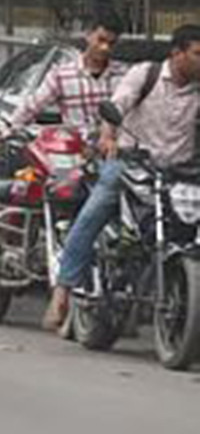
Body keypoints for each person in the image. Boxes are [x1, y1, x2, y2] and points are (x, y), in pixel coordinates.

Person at [42, 24, 200, 330]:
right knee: (94, 212)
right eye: (198, 54)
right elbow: (116, 105)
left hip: (178, 173)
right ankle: (62, 290)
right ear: (177, 53)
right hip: (131, 164)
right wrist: (108, 137)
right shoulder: (146, 75)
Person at [5, 13, 127, 133]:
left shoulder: (124, 76)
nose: (105, 48)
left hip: (116, 149)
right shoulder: (62, 75)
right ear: (88, 35)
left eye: (111, 43)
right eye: (101, 40)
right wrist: (6, 130)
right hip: (75, 149)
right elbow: (32, 107)